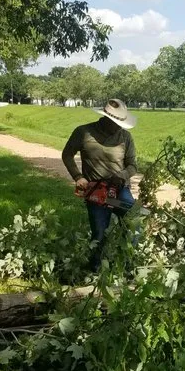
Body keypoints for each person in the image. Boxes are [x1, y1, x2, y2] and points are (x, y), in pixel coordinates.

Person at [62, 98, 137, 271]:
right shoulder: (83, 132)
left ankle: (128, 265)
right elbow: (67, 155)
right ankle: (96, 270)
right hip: (96, 193)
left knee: (133, 220)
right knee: (99, 232)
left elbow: (133, 165)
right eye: (116, 122)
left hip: (119, 192)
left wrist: (122, 175)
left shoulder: (125, 137)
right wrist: (78, 177)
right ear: (107, 118)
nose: (119, 126)